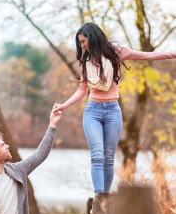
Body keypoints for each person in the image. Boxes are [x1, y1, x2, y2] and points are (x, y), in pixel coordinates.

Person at [53, 22, 176, 194]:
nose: (82, 46)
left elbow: (147, 56)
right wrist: (63, 106)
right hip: (92, 112)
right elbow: (82, 90)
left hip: (112, 111)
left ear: (93, 38)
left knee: (108, 158)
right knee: (97, 155)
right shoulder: (86, 60)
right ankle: (99, 198)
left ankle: (105, 198)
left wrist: (173, 54)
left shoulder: (117, 53)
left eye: (83, 41)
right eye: (80, 43)